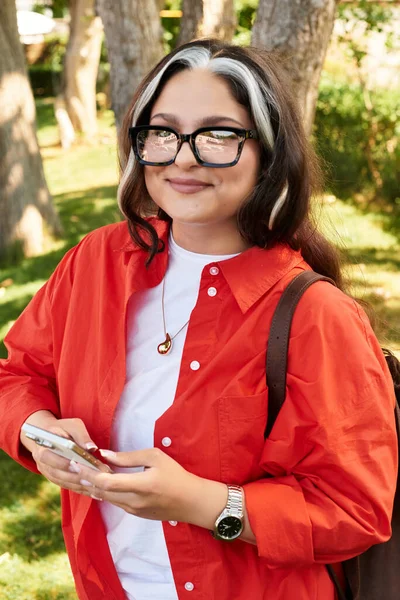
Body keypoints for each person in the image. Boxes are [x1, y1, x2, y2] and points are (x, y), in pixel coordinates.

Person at [0, 38, 397, 600]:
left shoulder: (317, 317)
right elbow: (15, 376)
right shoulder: (97, 262)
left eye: (218, 135)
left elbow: (355, 509)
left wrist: (201, 502)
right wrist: (37, 433)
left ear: (268, 153)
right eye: (162, 132)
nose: (182, 157)